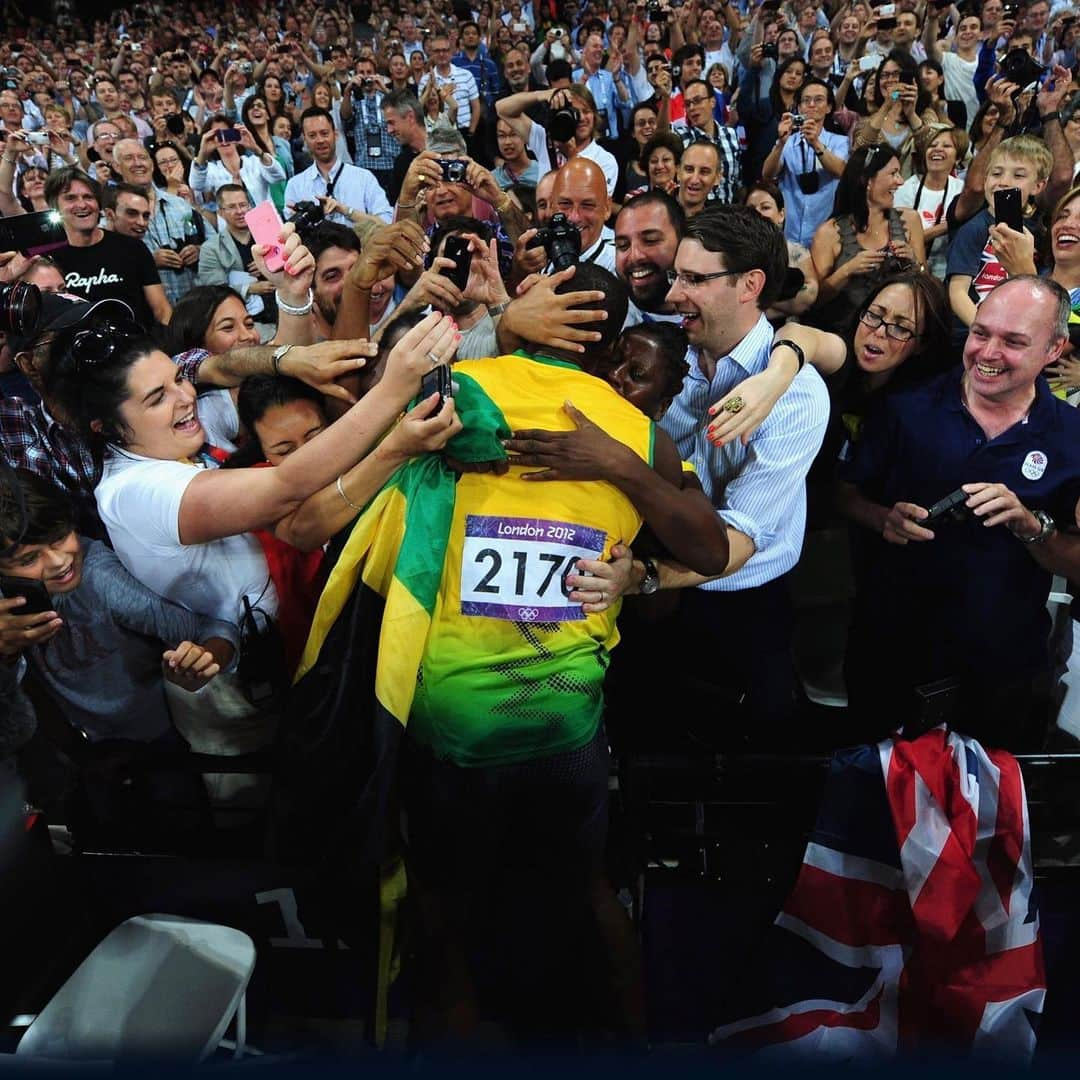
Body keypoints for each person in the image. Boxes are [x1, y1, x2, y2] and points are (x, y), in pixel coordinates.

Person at [293, 264, 726, 1046]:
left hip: (449, 722)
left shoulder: (456, 395)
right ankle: (633, 1046)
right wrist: (622, 468)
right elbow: (712, 547)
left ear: (536, 307)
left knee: (445, 913)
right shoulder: (632, 431)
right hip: (567, 722)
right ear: (611, 341)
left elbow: (345, 450)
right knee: (590, 894)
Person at [836, 277, 1080, 750]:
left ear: (1055, 350)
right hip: (890, 654)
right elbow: (841, 495)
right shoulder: (905, 408)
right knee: (878, 803)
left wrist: (1033, 528)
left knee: (985, 814)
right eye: (980, 332)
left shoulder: (1071, 436)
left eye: (1013, 342)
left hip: (1003, 668)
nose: (987, 353)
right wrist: (881, 517)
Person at [651, 205, 830, 726]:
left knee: (742, 764)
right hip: (662, 598)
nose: (672, 294)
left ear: (750, 284)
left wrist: (643, 578)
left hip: (741, 608)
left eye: (693, 279)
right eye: (675, 275)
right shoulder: (666, 356)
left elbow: (737, 541)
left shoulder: (794, 393)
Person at [810, 145, 927, 334]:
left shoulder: (910, 220)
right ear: (867, 180)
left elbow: (925, 282)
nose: (900, 181)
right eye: (893, 173)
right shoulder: (829, 233)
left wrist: (914, 262)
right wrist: (847, 270)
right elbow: (815, 299)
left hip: (895, 332)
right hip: (842, 333)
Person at [44, 166, 171, 328]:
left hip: (136, 347)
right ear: (55, 207)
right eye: (71, 198)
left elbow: (161, 309)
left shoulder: (133, 248)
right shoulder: (47, 258)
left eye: (88, 197)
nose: (82, 205)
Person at [761, 77, 850, 248]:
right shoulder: (787, 141)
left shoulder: (840, 141)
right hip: (788, 234)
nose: (811, 105)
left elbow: (841, 171)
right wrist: (780, 142)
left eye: (818, 100)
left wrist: (815, 143)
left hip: (825, 236)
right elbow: (767, 174)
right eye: (806, 100)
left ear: (829, 107)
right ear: (799, 107)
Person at [496, 83, 620, 195]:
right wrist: (543, 94)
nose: (582, 118)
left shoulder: (605, 160)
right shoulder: (545, 141)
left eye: (586, 111)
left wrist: (572, 155)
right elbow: (502, 109)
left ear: (594, 115)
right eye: (575, 112)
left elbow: (596, 201)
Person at [283, 107, 393, 226]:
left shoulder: (364, 178)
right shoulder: (295, 185)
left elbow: (386, 223)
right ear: (305, 139)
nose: (320, 140)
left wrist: (346, 211)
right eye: (312, 135)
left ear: (335, 134)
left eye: (324, 133)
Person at [196, 184, 277, 334]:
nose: (240, 211)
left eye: (243, 205)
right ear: (220, 212)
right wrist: (250, 289)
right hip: (246, 323)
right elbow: (212, 291)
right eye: (232, 207)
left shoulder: (270, 235)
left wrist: (270, 265)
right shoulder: (211, 248)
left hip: (281, 309)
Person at [894, 123, 968, 279]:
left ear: (958, 158)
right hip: (911, 273)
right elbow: (902, 239)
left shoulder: (962, 191)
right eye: (932, 145)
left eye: (946, 145)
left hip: (951, 274)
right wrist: (950, 223)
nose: (937, 149)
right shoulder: (906, 190)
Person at [742, 182, 820, 318]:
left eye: (765, 207)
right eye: (751, 208)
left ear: (781, 214)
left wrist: (756, 297)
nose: (758, 213)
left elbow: (806, 300)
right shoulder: (734, 253)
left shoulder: (797, 252)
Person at [189, 115, 287, 216]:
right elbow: (196, 185)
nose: (224, 140)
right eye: (218, 136)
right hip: (232, 228)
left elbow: (279, 176)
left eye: (227, 134)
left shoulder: (255, 162)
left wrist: (256, 149)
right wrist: (203, 153)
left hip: (265, 223)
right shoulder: (212, 170)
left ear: (236, 135)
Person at [672, 78, 741, 205]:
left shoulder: (731, 135)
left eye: (697, 101)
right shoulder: (680, 136)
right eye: (687, 104)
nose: (692, 108)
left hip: (727, 216)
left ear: (712, 101)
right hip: (697, 218)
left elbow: (735, 181)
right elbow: (659, 135)